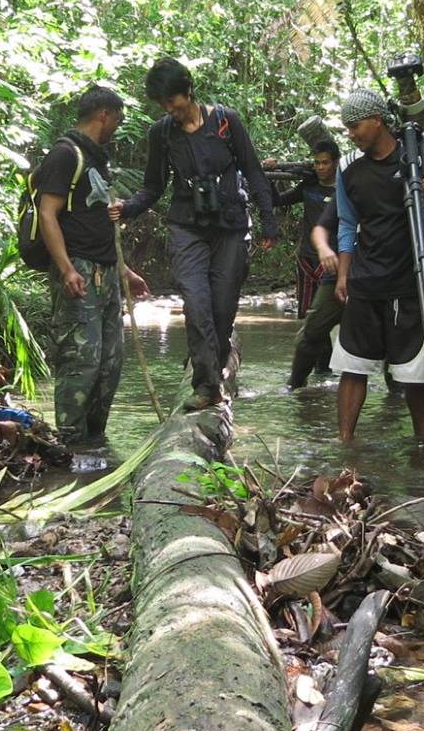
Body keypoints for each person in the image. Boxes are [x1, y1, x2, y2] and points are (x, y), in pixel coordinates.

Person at [114, 57, 278, 411]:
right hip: (186, 227)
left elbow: (251, 169)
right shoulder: (161, 134)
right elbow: (153, 188)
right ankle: (206, 386)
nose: (169, 109)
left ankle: (216, 365)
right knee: (196, 304)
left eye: (172, 101)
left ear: (188, 91)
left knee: (221, 310)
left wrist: (268, 219)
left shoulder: (225, 121)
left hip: (231, 227)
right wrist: (127, 208)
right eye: (162, 104)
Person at [331, 87, 424, 445]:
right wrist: (343, 274)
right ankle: (345, 446)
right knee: (352, 368)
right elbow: (346, 223)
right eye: (347, 127)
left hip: (412, 282)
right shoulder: (348, 169)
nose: (351, 134)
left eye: (356, 126)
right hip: (365, 281)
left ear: (377, 121)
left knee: (416, 375)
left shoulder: (422, 156)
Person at [35, 85, 148, 466]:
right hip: (78, 272)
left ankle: (95, 446)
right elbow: (47, 213)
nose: (118, 126)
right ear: (104, 114)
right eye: (117, 119)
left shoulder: (96, 160)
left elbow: (99, 223)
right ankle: (68, 451)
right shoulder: (65, 155)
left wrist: (125, 272)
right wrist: (66, 269)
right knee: (80, 363)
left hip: (106, 274)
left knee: (109, 366)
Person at [284, 140, 345, 389]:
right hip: (309, 259)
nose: (320, 167)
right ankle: (317, 373)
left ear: (335, 163)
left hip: (339, 260)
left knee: (330, 317)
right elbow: (279, 200)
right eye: (316, 163)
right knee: (313, 319)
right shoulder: (307, 187)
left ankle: (329, 371)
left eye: (325, 162)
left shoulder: (346, 188)